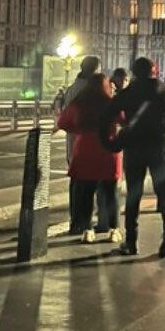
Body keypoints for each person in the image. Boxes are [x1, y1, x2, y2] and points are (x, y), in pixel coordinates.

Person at [103, 57, 165, 258]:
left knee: (133, 194)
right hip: (158, 146)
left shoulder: (129, 92)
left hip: (134, 147)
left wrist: (108, 142)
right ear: (152, 71)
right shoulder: (162, 90)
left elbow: (107, 114)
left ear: (134, 72)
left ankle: (131, 241)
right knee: (164, 192)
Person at [57, 74, 123, 243]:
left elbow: (63, 122)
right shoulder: (111, 103)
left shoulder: (80, 103)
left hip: (85, 149)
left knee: (86, 192)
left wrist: (79, 130)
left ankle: (87, 230)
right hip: (107, 149)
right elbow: (124, 119)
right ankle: (114, 230)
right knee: (111, 193)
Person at [61, 56, 101, 234]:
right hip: (87, 144)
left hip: (73, 145)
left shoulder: (72, 88)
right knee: (87, 186)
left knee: (76, 183)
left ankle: (75, 221)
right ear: (95, 70)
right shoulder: (90, 90)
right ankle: (82, 223)